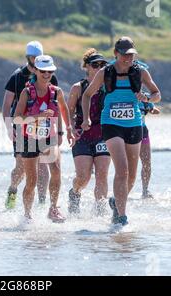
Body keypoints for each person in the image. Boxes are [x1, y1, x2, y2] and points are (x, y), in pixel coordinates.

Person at [81, 37, 161, 226]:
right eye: (124, 54)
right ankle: (122, 217)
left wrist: (147, 97)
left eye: (131, 55)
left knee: (132, 176)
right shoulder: (105, 72)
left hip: (134, 124)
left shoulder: (140, 72)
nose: (127, 58)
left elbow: (157, 95)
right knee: (122, 170)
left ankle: (116, 203)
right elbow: (86, 95)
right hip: (111, 124)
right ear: (116, 54)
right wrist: (86, 118)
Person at [13, 55, 75, 223]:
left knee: (56, 169)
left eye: (50, 71)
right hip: (29, 138)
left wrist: (65, 131)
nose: (46, 74)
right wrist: (38, 116)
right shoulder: (27, 92)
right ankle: (27, 215)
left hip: (49, 137)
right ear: (36, 71)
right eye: (43, 71)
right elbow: (17, 118)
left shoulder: (57, 92)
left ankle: (53, 209)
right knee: (32, 181)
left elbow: (63, 110)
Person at [2, 41, 59, 210]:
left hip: (44, 127)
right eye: (33, 57)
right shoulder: (17, 76)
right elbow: (6, 104)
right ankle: (13, 189)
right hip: (22, 127)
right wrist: (8, 126)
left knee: (43, 165)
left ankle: (41, 203)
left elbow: (55, 103)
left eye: (38, 57)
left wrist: (58, 129)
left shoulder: (49, 74)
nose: (36, 60)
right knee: (21, 168)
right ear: (28, 58)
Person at [67, 49, 110, 216]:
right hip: (82, 136)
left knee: (102, 174)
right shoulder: (78, 87)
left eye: (102, 65)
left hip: (103, 136)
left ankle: (100, 211)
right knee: (83, 177)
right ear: (87, 67)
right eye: (95, 65)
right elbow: (69, 111)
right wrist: (71, 128)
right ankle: (75, 192)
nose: (99, 68)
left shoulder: (108, 87)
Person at [139, 100, 160, 199]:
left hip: (143, 132)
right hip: (126, 132)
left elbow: (154, 110)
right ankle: (122, 189)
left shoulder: (145, 97)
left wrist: (152, 109)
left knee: (147, 162)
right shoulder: (122, 92)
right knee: (126, 164)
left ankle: (145, 190)